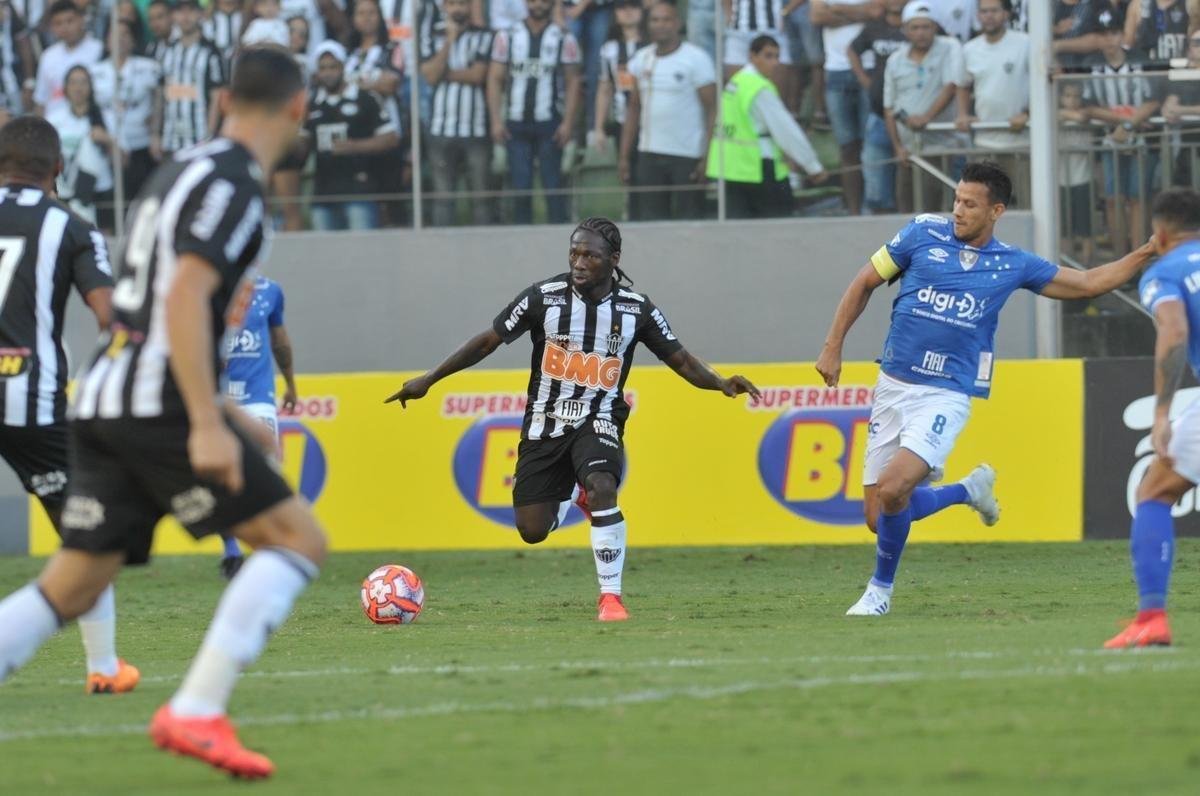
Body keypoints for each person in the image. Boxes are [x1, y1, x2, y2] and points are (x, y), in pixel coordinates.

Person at [0, 47, 326, 779]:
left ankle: (192, 708)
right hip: (157, 402)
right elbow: (182, 296)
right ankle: (197, 710)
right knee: (298, 540)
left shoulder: (180, 169)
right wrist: (208, 416)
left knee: (74, 584)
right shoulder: (236, 182)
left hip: (106, 392)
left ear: (221, 101)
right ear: (298, 108)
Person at [815, 161, 1156, 616]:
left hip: (946, 393)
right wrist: (833, 346)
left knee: (896, 489)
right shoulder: (920, 235)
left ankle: (879, 592)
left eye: (970, 204)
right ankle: (967, 491)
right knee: (879, 516)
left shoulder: (1013, 264)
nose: (958, 211)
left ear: (995, 211)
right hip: (892, 384)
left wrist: (1148, 251)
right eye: (956, 200)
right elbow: (864, 282)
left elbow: (1090, 282)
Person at [386, 217, 761, 621]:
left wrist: (721, 383)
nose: (579, 263)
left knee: (603, 485)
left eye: (590, 255)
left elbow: (682, 360)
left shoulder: (636, 309)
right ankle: (574, 494)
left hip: (598, 417)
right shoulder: (543, 298)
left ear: (613, 259)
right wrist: (430, 379)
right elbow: (487, 341)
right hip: (544, 423)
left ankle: (611, 598)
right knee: (532, 530)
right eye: (574, 253)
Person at [0, 115, 136, 695]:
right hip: (31, 401)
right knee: (91, 536)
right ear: (58, 168)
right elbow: (110, 317)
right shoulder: (71, 227)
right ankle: (103, 668)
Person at [1106, 188, 1200, 649]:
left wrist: (1162, 411)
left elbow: (1175, 330)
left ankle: (1152, 617)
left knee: (1154, 492)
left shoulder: (1165, 271)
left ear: (1159, 234)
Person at [219, 275, 297, 578]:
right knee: (222, 480)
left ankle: (273, 551)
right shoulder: (206, 285)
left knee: (265, 474)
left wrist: (290, 383)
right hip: (219, 399)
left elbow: (279, 339)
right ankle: (232, 552)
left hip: (258, 397)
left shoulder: (270, 291)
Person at [706, 34, 826, 218]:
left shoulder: (737, 82)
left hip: (730, 168)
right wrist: (812, 166)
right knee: (777, 231)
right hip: (758, 166)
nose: (775, 62)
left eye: (777, 57)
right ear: (752, 56)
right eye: (768, 56)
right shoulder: (759, 88)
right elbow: (786, 131)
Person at [619, 0, 716, 221]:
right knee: (651, 222)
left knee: (690, 222)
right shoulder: (641, 59)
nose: (660, 25)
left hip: (687, 155)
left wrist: (708, 157)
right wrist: (624, 156)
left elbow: (713, 110)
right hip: (649, 153)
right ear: (648, 24)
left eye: (666, 20)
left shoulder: (696, 59)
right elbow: (633, 109)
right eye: (655, 20)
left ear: (677, 23)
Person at [488, 0, 582, 225]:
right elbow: (494, 78)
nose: (538, 4)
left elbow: (573, 82)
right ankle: (524, 248)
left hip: (549, 122)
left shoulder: (563, 37)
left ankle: (560, 245)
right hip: (516, 123)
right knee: (521, 188)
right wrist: (495, 121)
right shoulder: (507, 36)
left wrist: (568, 123)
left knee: (553, 188)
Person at [302, 40, 399, 231]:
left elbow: (390, 138)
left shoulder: (365, 99)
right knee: (324, 255)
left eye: (333, 67)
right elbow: (302, 143)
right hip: (323, 193)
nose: (328, 73)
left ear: (343, 66)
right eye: (323, 68)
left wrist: (354, 146)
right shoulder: (312, 104)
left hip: (358, 192)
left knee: (361, 254)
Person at [1084, 16, 1160, 255]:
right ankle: (1120, 257)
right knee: (1113, 199)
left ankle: (1138, 256)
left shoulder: (1140, 59)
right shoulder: (1090, 63)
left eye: (1114, 33)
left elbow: (1154, 99)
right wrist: (1125, 123)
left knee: (1138, 199)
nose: (1110, 39)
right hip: (1109, 141)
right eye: (1104, 34)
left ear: (1121, 35)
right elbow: (1088, 106)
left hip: (1141, 141)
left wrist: (1127, 127)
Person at [883, 1, 966, 213]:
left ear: (935, 27)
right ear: (905, 30)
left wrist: (927, 117)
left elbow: (951, 86)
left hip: (941, 148)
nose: (921, 33)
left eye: (926, 27)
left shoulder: (949, 47)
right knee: (906, 210)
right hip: (909, 150)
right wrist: (897, 147)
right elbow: (889, 106)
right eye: (915, 27)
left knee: (938, 213)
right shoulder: (895, 60)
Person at [420, 0, 493, 226]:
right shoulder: (432, 36)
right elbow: (430, 76)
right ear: (444, 7)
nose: (457, 9)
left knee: (481, 198)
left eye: (462, 3)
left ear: (470, 7)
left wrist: (442, 73)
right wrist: (450, 40)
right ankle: (443, 252)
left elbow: (478, 76)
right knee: (443, 199)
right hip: (440, 129)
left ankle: (485, 247)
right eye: (452, 3)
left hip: (476, 128)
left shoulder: (484, 36)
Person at [811, 0, 883, 216]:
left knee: (870, 145)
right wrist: (861, 13)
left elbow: (878, 12)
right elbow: (817, 17)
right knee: (847, 146)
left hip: (868, 66)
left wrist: (837, 10)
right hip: (835, 70)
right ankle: (853, 211)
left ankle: (873, 206)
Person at [956, 0, 1029, 202]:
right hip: (983, 144)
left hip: (1022, 141)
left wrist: (1028, 113)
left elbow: (1044, 82)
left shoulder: (1025, 42)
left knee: (1027, 204)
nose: (989, 16)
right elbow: (963, 84)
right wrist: (962, 114)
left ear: (1006, 14)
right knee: (984, 207)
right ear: (978, 16)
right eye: (984, 11)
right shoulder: (970, 49)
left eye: (994, 11)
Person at [90, 18, 162, 202]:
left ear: (133, 39)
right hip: (108, 148)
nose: (120, 39)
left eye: (125, 34)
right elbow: (92, 109)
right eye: (115, 33)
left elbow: (160, 99)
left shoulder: (150, 67)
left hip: (142, 146)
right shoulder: (94, 71)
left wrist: (155, 132)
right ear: (106, 40)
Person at [848, 0, 907, 213]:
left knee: (908, 188)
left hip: (910, 119)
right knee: (875, 188)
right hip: (879, 113)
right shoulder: (875, 26)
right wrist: (865, 80)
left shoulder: (919, 25)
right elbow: (853, 49)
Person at [46, 65, 112, 226]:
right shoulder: (54, 119)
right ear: (65, 88)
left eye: (83, 82)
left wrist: (108, 140)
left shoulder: (107, 117)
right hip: (65, 191)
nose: (78, 88)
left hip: (100, 190)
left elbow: (124, 161)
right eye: (73, 82)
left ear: (91, 87)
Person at [158, 0, 225, 156]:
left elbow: (217, 96)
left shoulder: (211, 52)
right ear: (173, 16)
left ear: (200, 14)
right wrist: (156, 133)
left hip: (200, 136)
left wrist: (210, 134)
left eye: (191, 11)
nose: (185, 16)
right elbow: (160, 94)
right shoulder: (167, 51)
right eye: (180, 11)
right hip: (171, 137)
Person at [33, 1, 103, 118]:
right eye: (58, 23)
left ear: (81, 20)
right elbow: (41, 100)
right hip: (55, 122)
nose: (65, 27)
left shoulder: (98, 50)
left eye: (70, 21)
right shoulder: (48, 56)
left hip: (89, 121)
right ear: (52, 27)